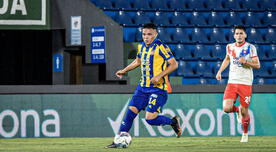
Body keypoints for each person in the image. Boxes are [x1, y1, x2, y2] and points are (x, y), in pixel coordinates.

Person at [105, 23, 182, 148]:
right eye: (144, 34)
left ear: (155, 34)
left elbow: (174, 64)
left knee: (150, 119)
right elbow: (138, 61)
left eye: (149, 34)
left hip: (157, 89)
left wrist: (160, 76)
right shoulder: (141, 46)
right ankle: (118, 141)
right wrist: (124, 70)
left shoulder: (161, 47)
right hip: (142, 88)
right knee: (130, 113)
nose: (146, 37)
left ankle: (173, 122)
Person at [215, 25, 261, 142]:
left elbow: (257, 65)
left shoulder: (250, 48)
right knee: (226, 108)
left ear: (245, 35)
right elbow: (227, 59)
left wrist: (246, 62)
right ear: (234, 35)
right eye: (237, 33)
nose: (239, 36)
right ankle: (237, 111)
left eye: (241, 33)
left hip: (245, 83)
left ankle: (245, 134)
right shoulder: (229, 47)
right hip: (232, 82)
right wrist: (220, 71)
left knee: (245, 111)